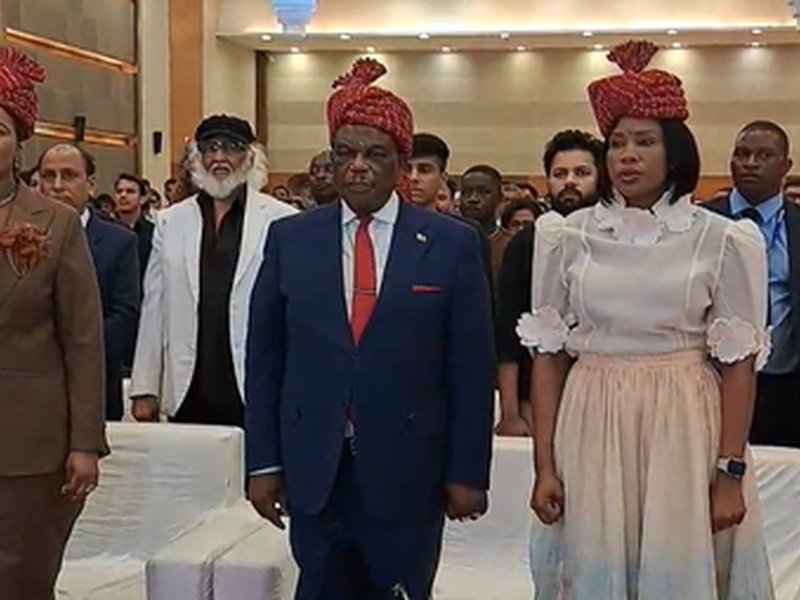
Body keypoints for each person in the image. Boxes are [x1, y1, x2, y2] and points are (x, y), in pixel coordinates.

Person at [522, 41, 773, 598]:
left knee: (675, 566)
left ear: (675, 153)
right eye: (616, 144)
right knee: (593, 567)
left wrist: (729, 472)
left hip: (684, 422)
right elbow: (548, 358)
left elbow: (738, 365)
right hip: (590, 418)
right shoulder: (564, 236)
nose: (627, 156)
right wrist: (544, 465)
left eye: (644, 142)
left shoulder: (722, 238)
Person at [246, 58, 495, 599]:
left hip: (410, 472)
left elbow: (471, 369)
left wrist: (468, 472)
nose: (357, 166)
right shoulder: (291, 239)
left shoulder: (451, 243)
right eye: (345, 153)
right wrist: (263, 462)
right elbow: (265, 361)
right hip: (315, 470)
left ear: (401, 163)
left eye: (374, 155)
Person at [0, 47, 107, 598]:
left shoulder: (57, 224)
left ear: (19, 142)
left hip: (30, 443)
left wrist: (85, 442)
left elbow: (83, 339)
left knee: (22, 577)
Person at [129, 114, 295, 427]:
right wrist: (144, 387)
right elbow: (154, 307)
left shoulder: (282, 219)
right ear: (198, 159)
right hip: (188, 384)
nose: (219, 157)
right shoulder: (170, 221)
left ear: (250, 157)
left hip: (254, 383)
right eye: (210, 148)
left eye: (231, 147)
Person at [495, 129, 603, 437]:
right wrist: (510, 413)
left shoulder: (615, 239)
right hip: (536, 396)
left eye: (581, 173)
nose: (569, 181)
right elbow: (507, 332)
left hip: (603, 390)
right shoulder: (526, 242)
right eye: (560, 174)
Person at [704, 120, 800, 448]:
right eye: (742, 154)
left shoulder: (797, 225)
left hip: (786, 382)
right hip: (714, 378)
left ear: (785, 166)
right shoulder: (702, 223)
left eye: (764, 155)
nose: (750, 163)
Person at [38, 143, 140, 421]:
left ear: (91, 185)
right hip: (30, 387)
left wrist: (70, 347)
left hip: (94, 383)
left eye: (69, 175)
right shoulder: (20, 235)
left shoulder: (119, 242)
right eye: (48, 176)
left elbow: (125, 315)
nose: (57, 186)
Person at [409, 132, 493, 293]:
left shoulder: (465, 234)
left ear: (442, 178)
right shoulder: (382, 227)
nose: (413, 177)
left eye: (424, 170)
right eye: (407, 169)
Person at [460, 163, 509, 284]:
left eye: (484, 192)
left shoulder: (510, 244)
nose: (473, 199)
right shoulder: (446, 241)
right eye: (466, 192)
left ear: (500, 199)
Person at [114, 173, 154, 284]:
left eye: (130, 191)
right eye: (119, 191)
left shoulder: (153, 233)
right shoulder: (106, 232)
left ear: (142, 199)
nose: (123, 195)